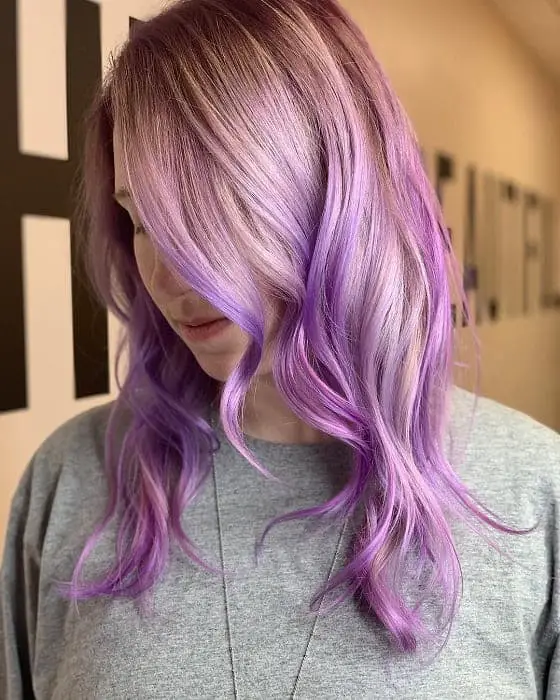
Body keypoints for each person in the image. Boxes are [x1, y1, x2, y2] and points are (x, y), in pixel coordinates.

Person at [1, 0, 559, 697]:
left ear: (335, 193)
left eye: (214, 206)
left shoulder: (533, 490)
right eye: (142, 220)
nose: (170, 276)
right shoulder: (72, 478)